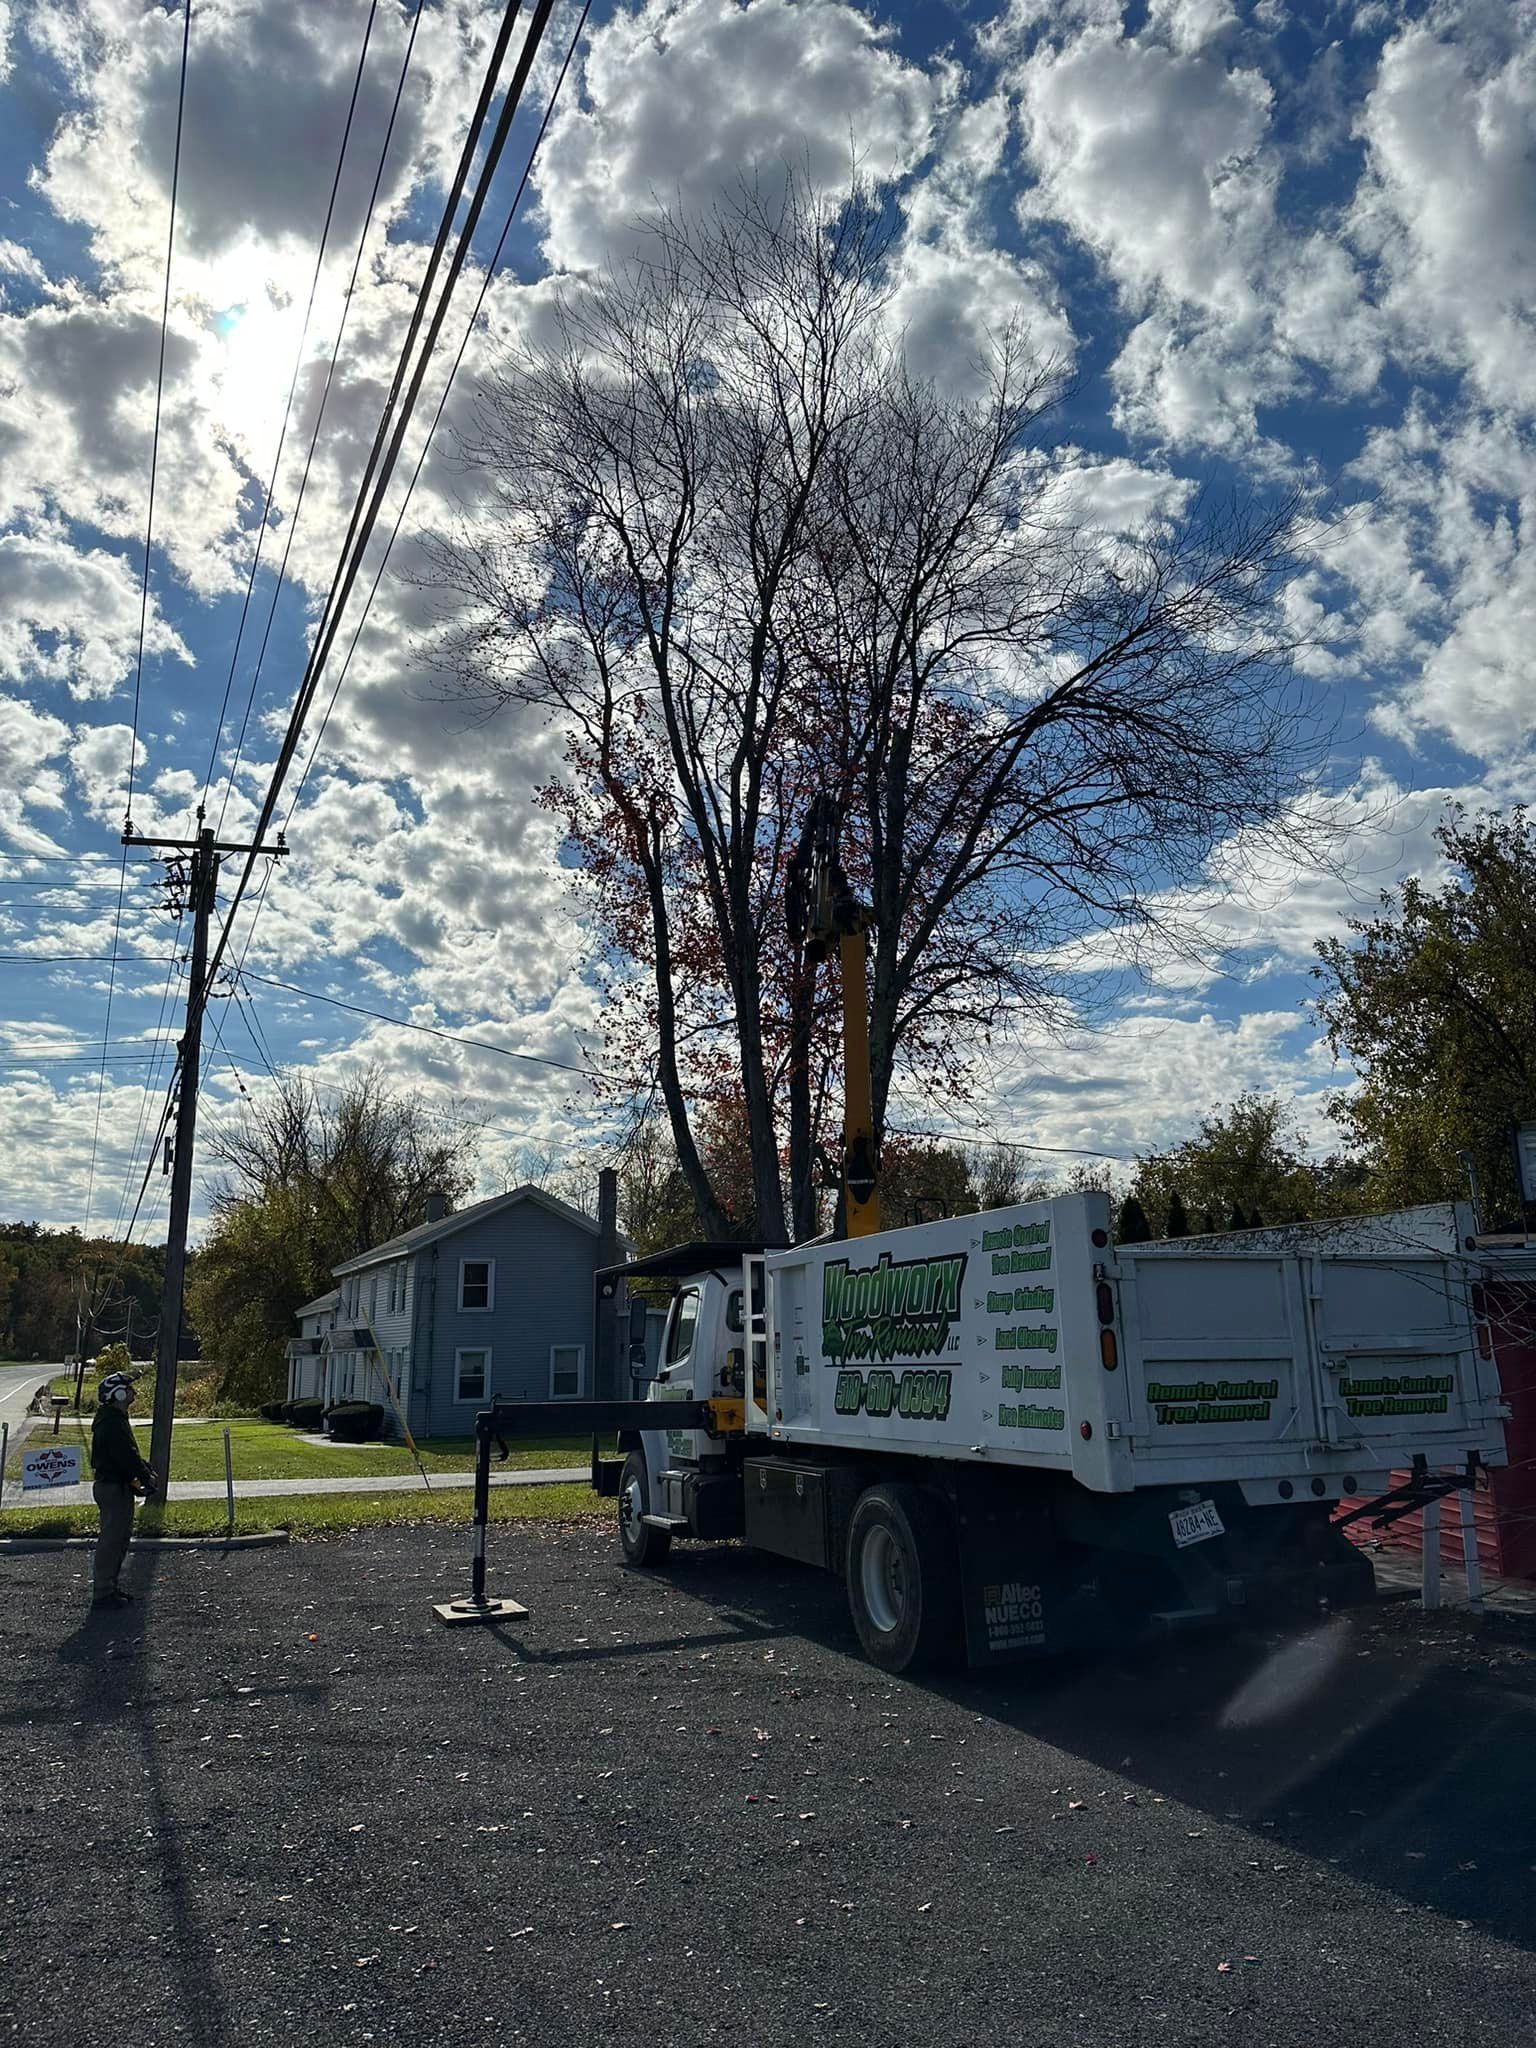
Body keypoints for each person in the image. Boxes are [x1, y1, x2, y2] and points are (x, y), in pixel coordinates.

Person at [89, 1372, 158, 1609]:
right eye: (128, 1389)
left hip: (116, 1486)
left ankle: (110, 1587)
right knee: (112, 1541)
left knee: (119, 1539)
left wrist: (144, 1471)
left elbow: (128, 1454)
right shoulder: (112, 1423)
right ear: (117, 1393)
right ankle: (103, 1593)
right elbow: (125, 1456)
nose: (133, 1392)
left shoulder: (113, 1419)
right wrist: (145, 1476)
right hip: (112, 1487)